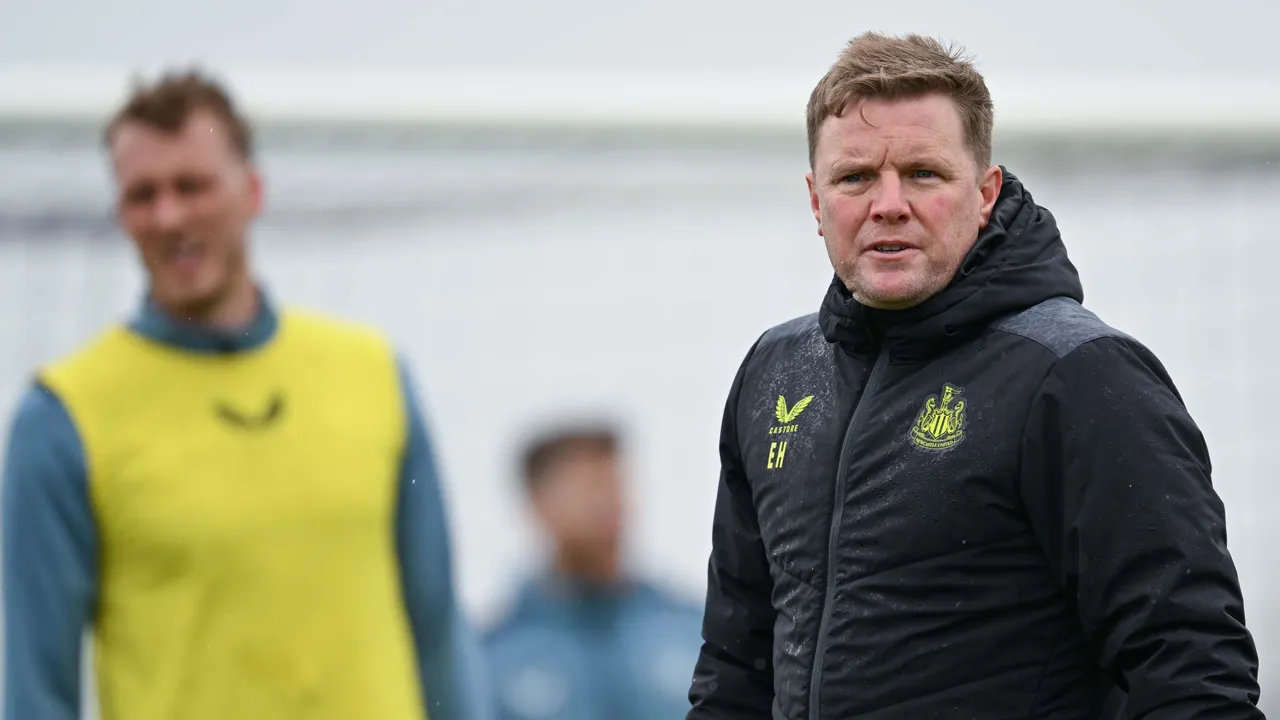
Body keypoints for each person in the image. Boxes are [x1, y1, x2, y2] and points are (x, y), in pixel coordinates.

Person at [686, 32, 1264, 719]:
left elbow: (1191, 671)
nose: (888, 203)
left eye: (923, 173)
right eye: (855, 177)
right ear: (816, 200)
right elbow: (734, 670)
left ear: (986, 193)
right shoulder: (776, 375)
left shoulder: (1080, 375)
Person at [1, 70, 492, 720]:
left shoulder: (374, 373)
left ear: (252, 191)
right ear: (121, 215)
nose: (169, 216)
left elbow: (438, 631)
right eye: (143, 195)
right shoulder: (63, 416)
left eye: (192, 186)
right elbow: (37, 692)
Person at [482, 423, 703, 720]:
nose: (606, 505)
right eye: (587, 489)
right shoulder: (492, 659)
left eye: (613, 486)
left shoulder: (697, 632)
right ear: (537, 503)